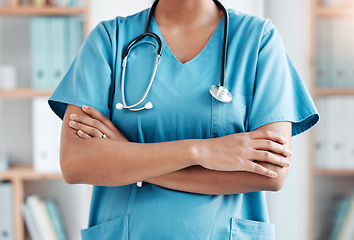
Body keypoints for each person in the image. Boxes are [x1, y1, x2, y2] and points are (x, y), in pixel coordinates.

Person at [48, 0, 319, 239]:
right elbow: (76, 163)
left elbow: (270, 172)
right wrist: (203, 151)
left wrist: (130, 158)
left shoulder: (258, 39)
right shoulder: (110, 39)